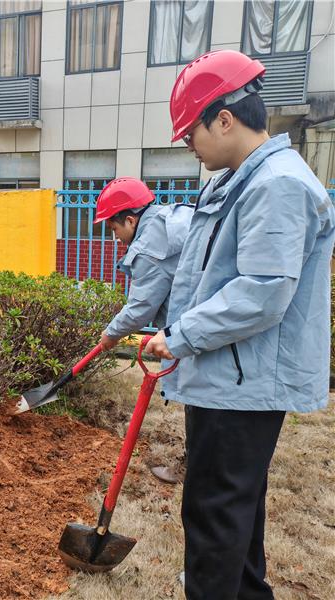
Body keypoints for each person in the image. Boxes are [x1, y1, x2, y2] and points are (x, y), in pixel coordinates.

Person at [144, 50, 335, 599]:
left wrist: (178, 337)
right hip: (229, 376)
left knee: (213, 514)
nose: (188, 146)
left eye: (190, 134)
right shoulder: (239, 180)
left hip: (241, 383)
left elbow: (261, 294)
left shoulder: (275, 184)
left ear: (224, 118)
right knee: (235, 510)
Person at [94, 177, 192, 352]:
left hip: (185, 337)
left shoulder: (147, 249)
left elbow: (141, 308)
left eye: (114, 229)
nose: (116, 237)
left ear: (131, 221)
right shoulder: (169, 217)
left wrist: (111, 333)